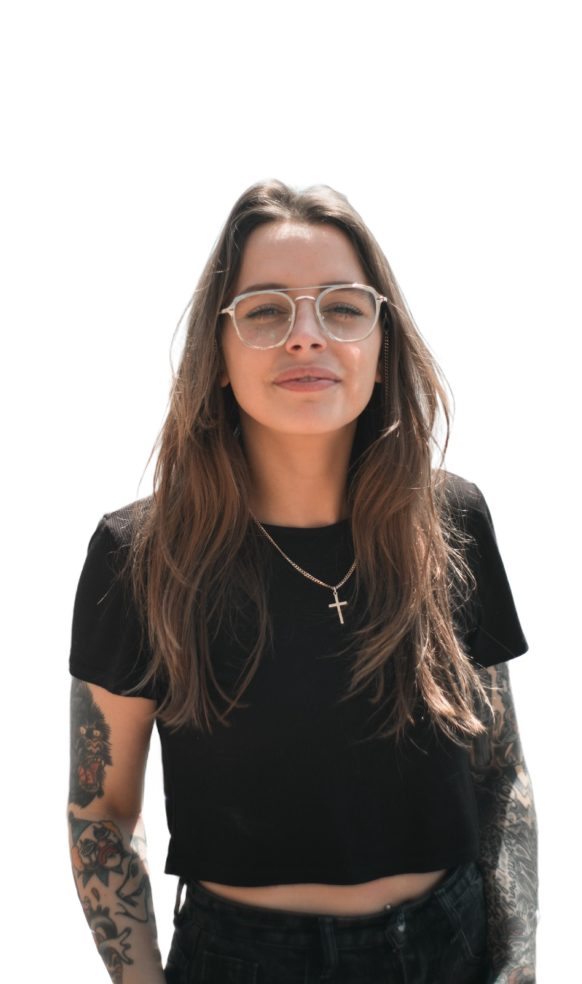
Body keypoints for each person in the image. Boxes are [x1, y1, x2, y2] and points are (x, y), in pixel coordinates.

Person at [66, 177, 539, 984]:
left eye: (343, 308)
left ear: (382, 345)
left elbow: (499, 772)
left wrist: (518, 962)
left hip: (448, 950)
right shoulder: (139, 555)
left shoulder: (452, 522)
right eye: (266, 311)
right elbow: (102, 816)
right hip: (242, 961)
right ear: (216, 354)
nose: (306, 337)